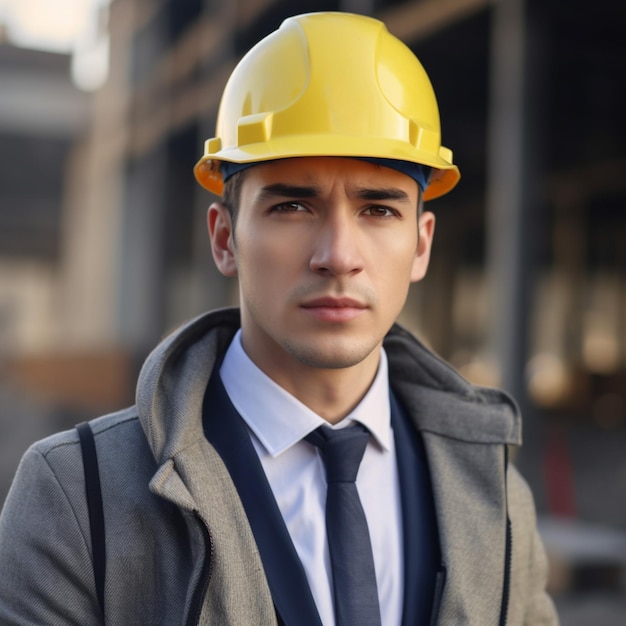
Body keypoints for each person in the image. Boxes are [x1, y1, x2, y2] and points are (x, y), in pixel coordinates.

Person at [0, 11, 558, 626]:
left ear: (421, 244)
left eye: (378, 210)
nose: (338, 256)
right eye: (293, 205)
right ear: (224, 238)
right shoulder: (78, 497)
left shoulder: (494, 495)